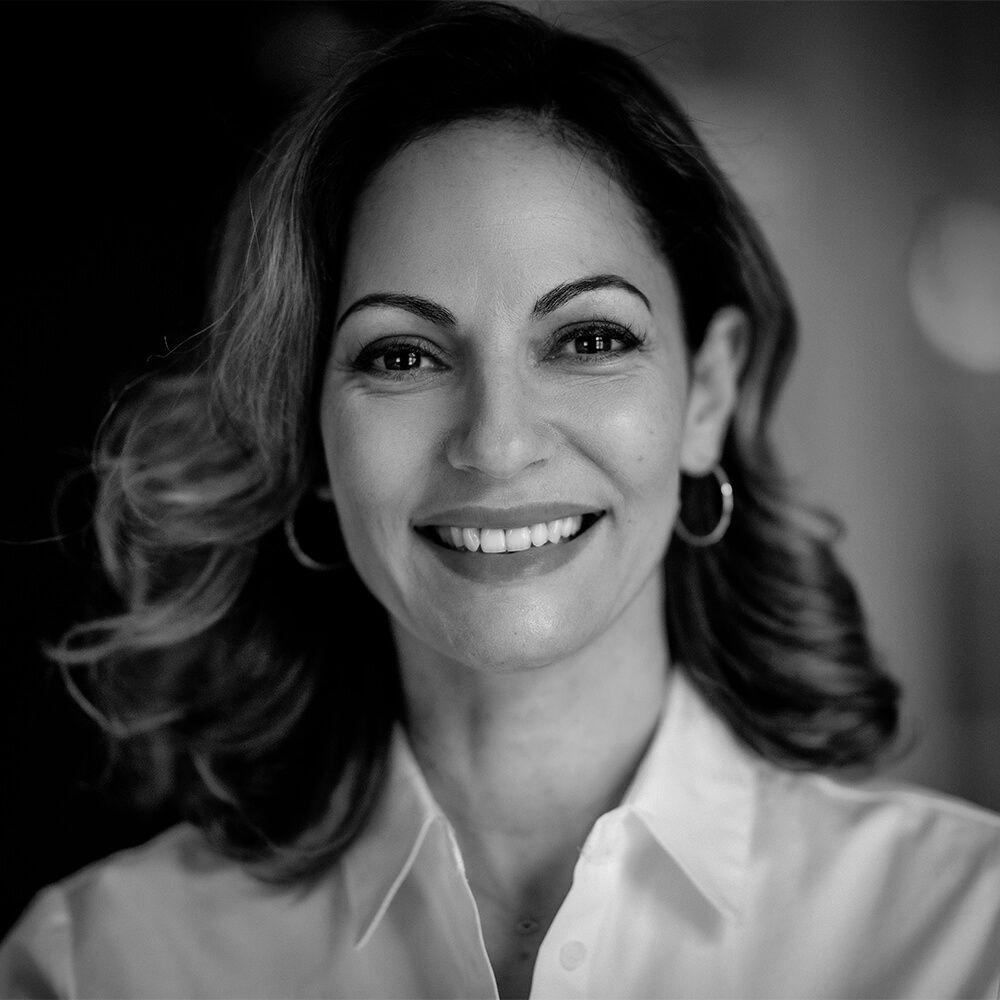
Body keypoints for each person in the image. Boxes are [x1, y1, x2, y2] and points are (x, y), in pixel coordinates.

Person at [2, 4, 999, 998]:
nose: (498, 442)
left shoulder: (964, 931)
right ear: (306, 436)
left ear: (705, 393)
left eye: (589, 339)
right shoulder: (103, 961)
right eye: (401, 354)